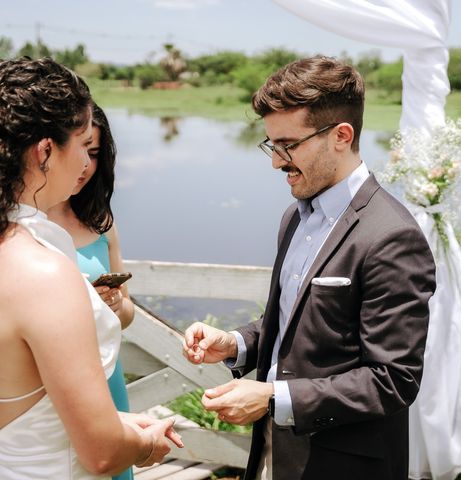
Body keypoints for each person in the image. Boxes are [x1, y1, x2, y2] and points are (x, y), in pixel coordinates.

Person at [0, 57, 181, 480]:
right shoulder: (45, 273)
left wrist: (122, 423)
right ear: (45, 151)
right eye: (81, 144)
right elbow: (101, 454)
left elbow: (29, 409)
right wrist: (149, 442)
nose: (84, 164)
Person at [183, 56, 436, 480]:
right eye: (271, 145)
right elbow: (293, 325)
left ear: (341, 135)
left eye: (289, 145)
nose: (276, 162)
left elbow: (393, 380)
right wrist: (235, 343)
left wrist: (271, 399)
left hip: (343, 466)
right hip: (273, 456)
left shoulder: (392, 236)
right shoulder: (295, 218)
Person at [48, 103, 134, 480]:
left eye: (95, 154)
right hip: (50, 382)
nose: (85, 165)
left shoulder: (101, 221)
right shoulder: (20, 223)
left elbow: (128, 313)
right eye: (80, 150)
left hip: (106, 375)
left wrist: (115, 304)